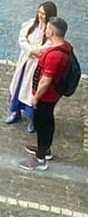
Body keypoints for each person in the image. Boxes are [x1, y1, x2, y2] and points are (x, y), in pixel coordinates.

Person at [19, 17, 74, 171]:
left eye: (47, 28)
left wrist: (36, 98)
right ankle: (44, 150)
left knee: (43, 124)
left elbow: (45, 81)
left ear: (52, 32)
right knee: (47, 121)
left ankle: (40, 159)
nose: (45, 30)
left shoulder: (55, 56)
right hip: (53, 94)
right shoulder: (64, 47)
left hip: (46, 96)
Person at [6, 2, 57, 133]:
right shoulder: (30, 25)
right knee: (18, 87)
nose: (40, 16)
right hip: (25, 62)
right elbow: (22, 39)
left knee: (31, 91)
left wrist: (36, 51)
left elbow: (49, 46)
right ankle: (15, 112)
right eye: (39, 12)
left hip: (36, 66)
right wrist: (30, 50)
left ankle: (32, 119)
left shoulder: (52, 31)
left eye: (43, 14)